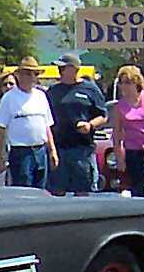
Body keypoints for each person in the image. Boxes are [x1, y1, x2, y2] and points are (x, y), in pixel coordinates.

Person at [45, 53, 107, 196]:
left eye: (63, 68)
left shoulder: (89, 89)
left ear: (74, 69)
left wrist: (90, 125)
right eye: (59, 68)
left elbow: (103, 115)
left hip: (82, 149)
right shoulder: (53, 91)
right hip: (59, 148)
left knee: (83, 191)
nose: (59, 71)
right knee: (57, 191)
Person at [0, 57, 55, 189]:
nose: (31, 77)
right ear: (19, 75)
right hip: (21, 152)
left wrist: (52, 151)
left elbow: (47, 125)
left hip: (40, 151)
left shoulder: (41, 95)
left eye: (35, 74)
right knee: (23, 190)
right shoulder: (10, 97)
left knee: (41, 189)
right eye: (27, 73)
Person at [108, 65, 144, 197]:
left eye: (128, 82)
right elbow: (117, 133)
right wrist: (119, 158)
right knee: (137, 188)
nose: (124, 86)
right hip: (133, 150)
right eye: (122, 82)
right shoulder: (119, 106)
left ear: (137, 82)